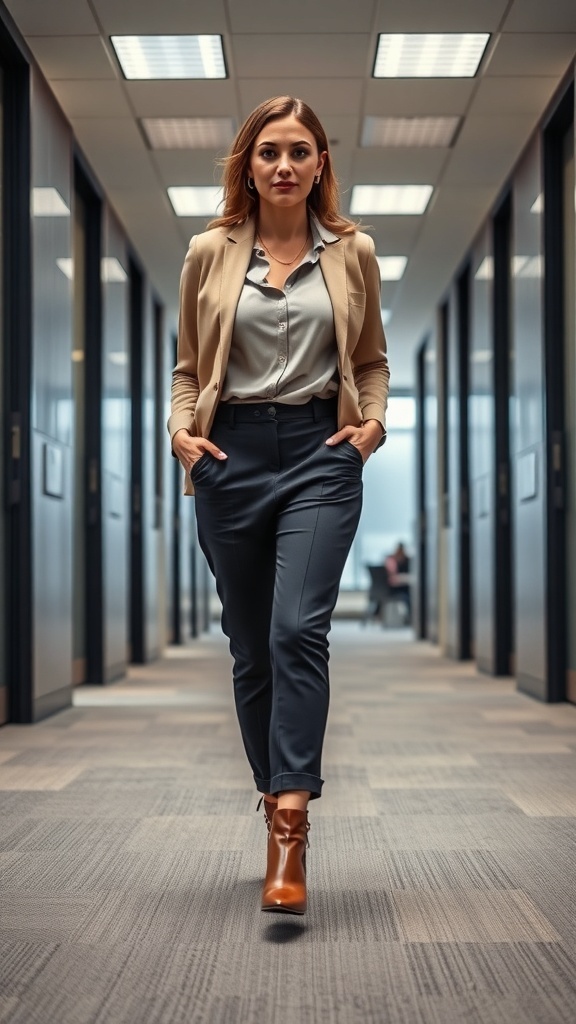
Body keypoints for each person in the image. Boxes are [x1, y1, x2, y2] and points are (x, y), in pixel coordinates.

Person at [168, 96, 390, 915]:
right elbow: (189, 367)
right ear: (249, 164)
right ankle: (273, 792)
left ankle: (290, 831)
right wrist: (180, 432)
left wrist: (371, 427)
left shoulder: (354, 251)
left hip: (320, 453)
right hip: (229, 457)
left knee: (298, 629)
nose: (285, 165)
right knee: (252, 646)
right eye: (269, 152)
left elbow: (372, 360)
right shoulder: (209, 252)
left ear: (321, 162)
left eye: (300, 151)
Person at [384, 542, 411, 621]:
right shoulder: (391, 560)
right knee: (407, 596)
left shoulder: (406, 560)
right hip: (392, 589)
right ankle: (409, 617)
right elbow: (391, 576)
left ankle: (409, 617)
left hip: (401, 586)